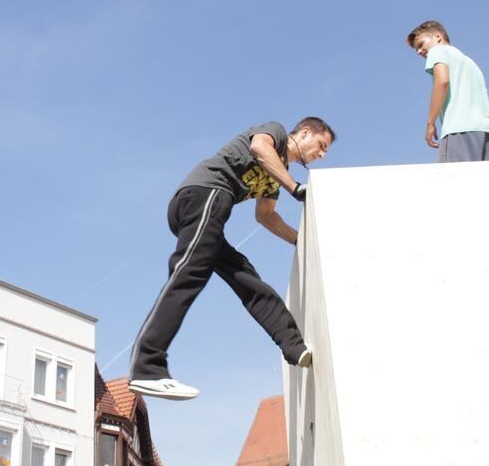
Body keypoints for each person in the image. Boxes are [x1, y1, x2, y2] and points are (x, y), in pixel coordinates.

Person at [128, 117, 335, 400]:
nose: (321, 154)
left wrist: (302, 240)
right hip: (206, 193)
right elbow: (260, 148)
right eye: (321, 145)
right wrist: (295, 187)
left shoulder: (277, 174)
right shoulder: (275, 133)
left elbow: (266, 216)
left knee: (244, 275)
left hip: (207, 205)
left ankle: (293, 346)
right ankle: (146, 367)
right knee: (189, 273)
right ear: (306, 132)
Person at [407, 20, 489, 162]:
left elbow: (442, 81)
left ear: (438, 37)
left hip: (460, 130)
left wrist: (430, 124)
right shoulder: (470, 63)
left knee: (452, 182)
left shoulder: (437, 50)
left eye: (421, 44)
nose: (419, 51)